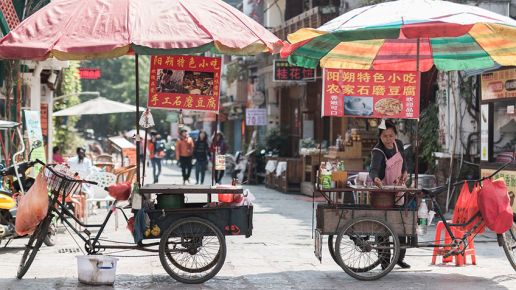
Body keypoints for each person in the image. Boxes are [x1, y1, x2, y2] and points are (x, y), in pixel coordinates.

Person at [369, 119, 410, 269]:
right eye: (385, 136)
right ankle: (384, 260)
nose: (388, 139)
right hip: (383, 192)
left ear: (395, 135)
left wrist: (405, 172)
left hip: (398, 188)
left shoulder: (398, 144)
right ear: (380, 136)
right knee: (383, 226)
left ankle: (399, 257)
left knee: (401, 222)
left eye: (391, 135)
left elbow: (404, 162)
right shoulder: (377, 151)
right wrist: (376, 179)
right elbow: (372, 170)